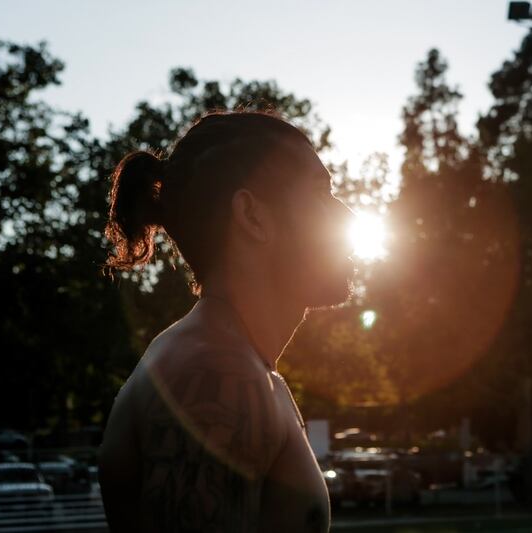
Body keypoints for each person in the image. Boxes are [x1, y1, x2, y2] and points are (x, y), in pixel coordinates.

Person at [97, 110, 356, 532]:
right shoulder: (214, 372)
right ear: (253, 217)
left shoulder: (233, 363)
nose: (347, 217)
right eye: (320, 194)